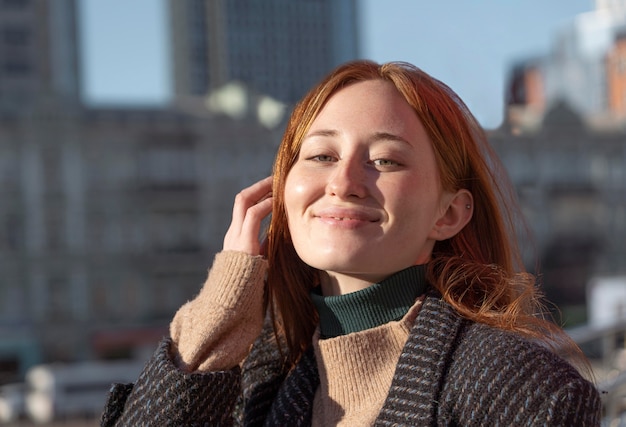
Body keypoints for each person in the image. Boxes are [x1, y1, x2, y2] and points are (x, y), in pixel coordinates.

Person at [101, 60, 602, 426]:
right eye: (320, 155)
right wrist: (217, 313)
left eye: (384, 161)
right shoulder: (259, 384)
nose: (344, 182)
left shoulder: (521, 391)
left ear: (448, 213)